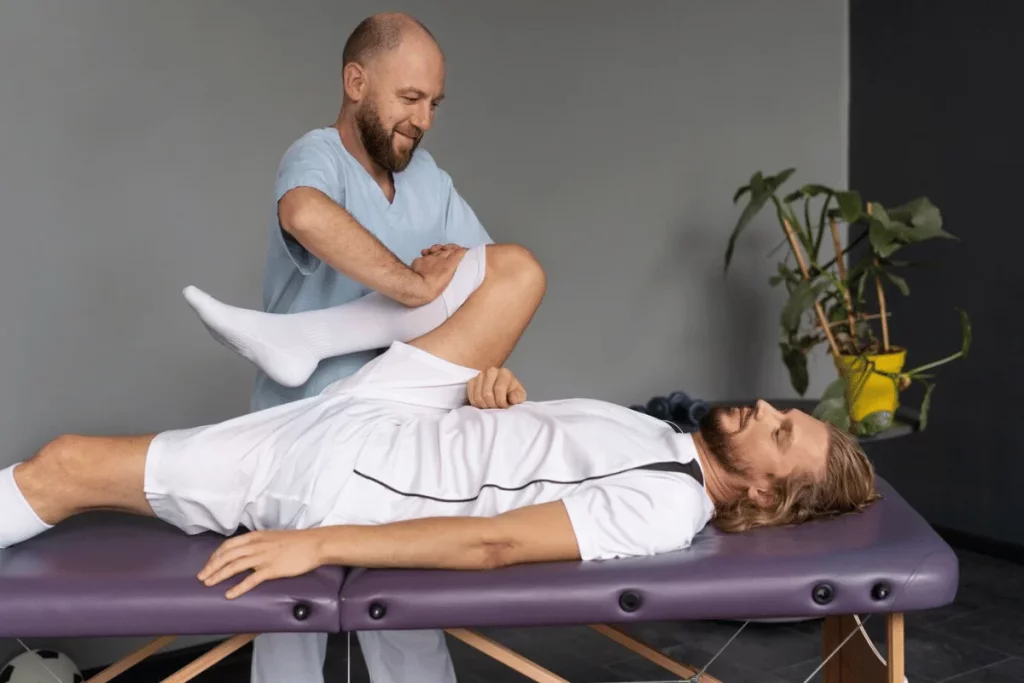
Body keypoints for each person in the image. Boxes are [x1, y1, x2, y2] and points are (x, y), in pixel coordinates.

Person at [0, 244, 881, 683]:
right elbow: (532, 459)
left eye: (779, 434)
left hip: (343, 473)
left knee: (68, 465)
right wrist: (496, 401)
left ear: (764, 492)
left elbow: (494, 542)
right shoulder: (668, 441)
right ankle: (304, 340)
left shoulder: (667, 505)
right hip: (405, 415)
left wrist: (318, 543)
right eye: (785, 413)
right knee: (514, 271)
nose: (767, 408)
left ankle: (304, 350)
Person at [248, 9, 491, 681]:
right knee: (290, 621)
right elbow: (304, 211)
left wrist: (486, 371)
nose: (424, 119)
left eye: (434, 103)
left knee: (405, 620)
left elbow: (489, 277)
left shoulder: (429, 179)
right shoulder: (318, 155)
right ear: (356, 83)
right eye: (410, 98)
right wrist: (412, 286)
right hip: (300, 437)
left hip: (398, 440)